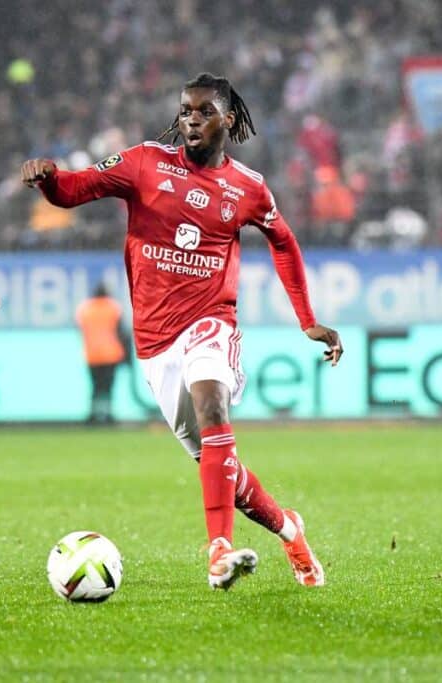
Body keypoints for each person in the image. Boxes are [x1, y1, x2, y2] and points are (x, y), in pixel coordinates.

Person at [22, 73, 343, 591]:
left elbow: (284, 243)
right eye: (186, 110)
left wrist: (308, 320)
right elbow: (73, 190)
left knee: (213, 401)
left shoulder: (248, 187)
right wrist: (47, 178)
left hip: (212, 321)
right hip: (155, 343)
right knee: (225, 473)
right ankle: (289, 529)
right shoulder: (145, 163)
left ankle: (218, 549)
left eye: (204, 111)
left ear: (228, 120)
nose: (192, 119)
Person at [75, 283, 128, 424]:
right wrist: (126, 354)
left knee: (95, 387)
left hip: (92, 355)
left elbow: (80, 330)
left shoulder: (85, 309)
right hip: (111, 353)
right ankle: (108, 415)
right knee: (108, 387)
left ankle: (93, 415)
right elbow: (121, 332)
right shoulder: (113, 308)